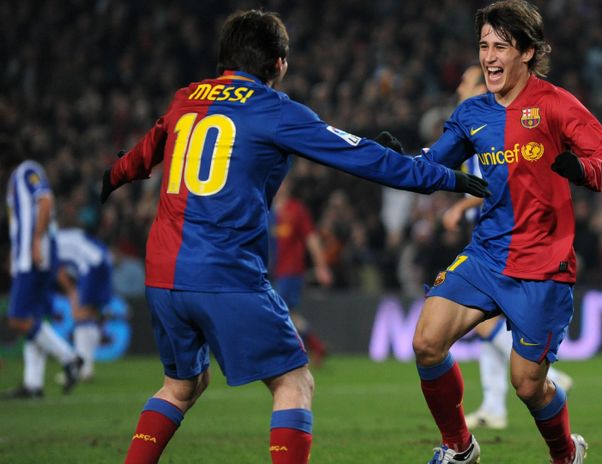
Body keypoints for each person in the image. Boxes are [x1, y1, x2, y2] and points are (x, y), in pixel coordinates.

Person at [98, 9, 487, 464]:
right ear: (279, 64)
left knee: (181, 385)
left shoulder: (185, 99)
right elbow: (360, 157)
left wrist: (113, 175)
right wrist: (441, 176)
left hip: (163, 273)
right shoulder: (273, 109)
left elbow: (144, 153)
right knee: (293, 381)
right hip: (225, 271)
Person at [401, 1, 602, 462]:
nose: (488, 56)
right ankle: (459, 448)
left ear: (527, 52)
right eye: (483, 46)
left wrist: (579, 168)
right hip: (486, 255)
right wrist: (396, 161)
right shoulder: (472, 113)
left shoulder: (557, 104)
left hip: (543, 265)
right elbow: (430, 164)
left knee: (527, 385)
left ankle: (566, 453)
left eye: (500, 46)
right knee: (426, 342)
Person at [441, 64, 573, 431]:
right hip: (488, 237)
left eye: (466, 81)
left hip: (507, 240)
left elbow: (493, 179)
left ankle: (552, 378)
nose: (460, 87)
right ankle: (494, 405)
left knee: (484, 326)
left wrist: (459, 205)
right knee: (487, 328)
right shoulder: (470, 120)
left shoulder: (495, 121)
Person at [3, 144, 83, 399]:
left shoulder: (27, 170)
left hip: (33, 256)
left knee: (17, 318)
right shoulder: (18, 179)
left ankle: (70, 358)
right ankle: (33, 384)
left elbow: (46, 199)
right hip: (28, 255)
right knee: (32, 319)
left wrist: (36, 240)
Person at [269, 177, 332, 365]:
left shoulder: (296, 210)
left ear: (287, 185)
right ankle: (315, 346)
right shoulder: (267, 209)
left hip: (291, 271)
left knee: (281, 311)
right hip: (271, 271)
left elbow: (311, 239)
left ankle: (294, 351)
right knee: (287, 313)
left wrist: (322, 267)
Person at [55, 227, 114, 382]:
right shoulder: (65, 235)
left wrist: (71, 292)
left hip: (90, 266)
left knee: (80, 314)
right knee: (90, 314)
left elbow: (59, 271)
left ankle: (78, 369)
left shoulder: (48, 243)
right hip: (104, 260)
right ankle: (86, 369)